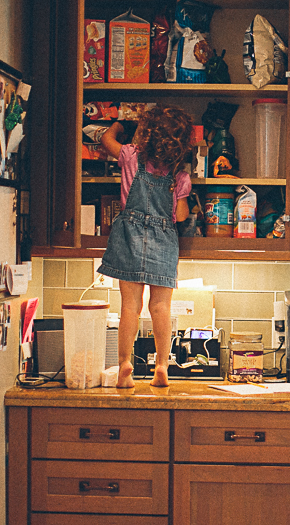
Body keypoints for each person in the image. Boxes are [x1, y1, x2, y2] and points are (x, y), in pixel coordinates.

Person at [97, 105, 194, 387]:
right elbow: (182, 215)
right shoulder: (179, 176)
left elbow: (105, 140)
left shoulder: (130, 156)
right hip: (164, 238)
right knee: (161, 307)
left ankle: (125, 363)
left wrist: (117, 126)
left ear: (146, 135)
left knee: (130, 306)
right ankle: (162, 366)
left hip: (129, 234)